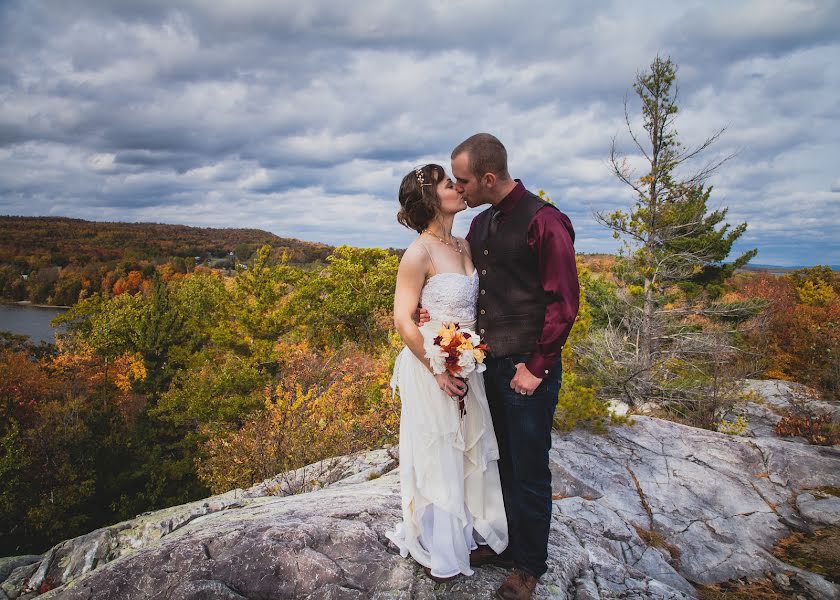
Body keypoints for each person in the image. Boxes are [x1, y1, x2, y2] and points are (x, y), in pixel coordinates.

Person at [449, 133, 579, 600]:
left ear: (488, 177)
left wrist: (537, 367)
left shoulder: (545, 221)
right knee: (498, 461)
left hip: (528, 370)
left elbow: (564, 304)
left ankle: (528, 565)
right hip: (487, 367)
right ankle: (507, 546)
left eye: (463, 180)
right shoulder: (480, 226)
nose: (457, 187)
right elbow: (468, 287)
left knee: (528, 468)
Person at [386, 164, 509, 582]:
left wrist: (465, 355)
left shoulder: (463, 243)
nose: (456, 187)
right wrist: (437, 368)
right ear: (430, 199)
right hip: (432, 363)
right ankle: (443, 546)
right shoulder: (418, 253)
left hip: (466, 359)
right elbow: (404, 320)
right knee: (440, 452)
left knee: (466, 450)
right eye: (446, 184)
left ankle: (465, 532)